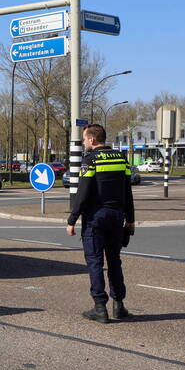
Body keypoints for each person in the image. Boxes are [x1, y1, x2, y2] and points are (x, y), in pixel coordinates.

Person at [66, 124, 135, 323]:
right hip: (117, 216)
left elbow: (83, 192)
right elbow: (127, 193)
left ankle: (99, 308)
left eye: (85, 139)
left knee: (95, 261)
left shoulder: (91, 160)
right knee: (114, 260)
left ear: (93, 140)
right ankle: (119, 305)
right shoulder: (121, 159)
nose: (84, 142)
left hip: (96, 218)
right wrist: (130, 220)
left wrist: (72, 219)